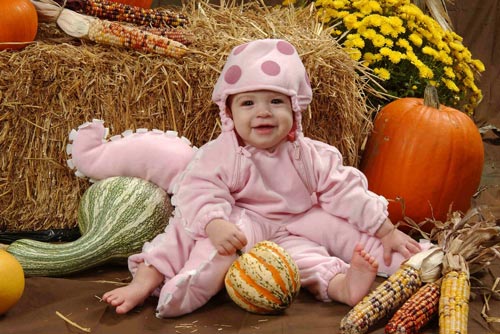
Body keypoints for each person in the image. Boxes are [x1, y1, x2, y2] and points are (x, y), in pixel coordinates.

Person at [102, 39, 423, 318]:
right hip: (240, 222)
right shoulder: (220, 153)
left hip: (298, 225)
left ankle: (346, 286)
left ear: (295, 109)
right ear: (228, 113)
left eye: (276, 101)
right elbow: (197, 190)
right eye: (248, 103)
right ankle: (147, 280)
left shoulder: (310, 155)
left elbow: (346, 192)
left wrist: (386, 231)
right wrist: (213, 222)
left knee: (312, 258)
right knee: (183, 230)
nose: (263, 111)